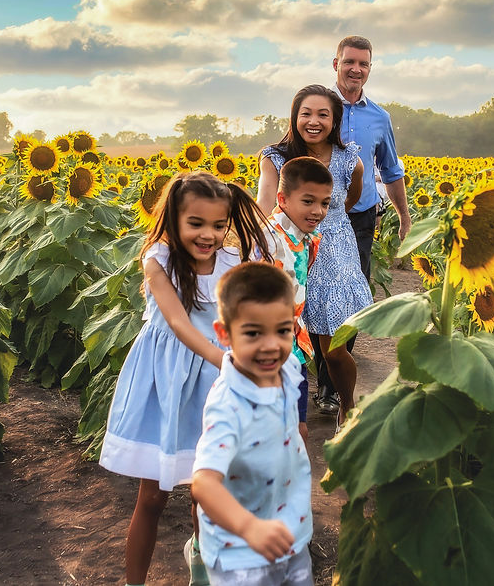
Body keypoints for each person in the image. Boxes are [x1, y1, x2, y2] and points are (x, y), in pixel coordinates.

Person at [98, 171, 273, 586]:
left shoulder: (235, 262)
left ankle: (202, 571)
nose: (208, 235)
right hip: (167, 383)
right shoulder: (158, 261)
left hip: (214, 389)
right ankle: (134, 582)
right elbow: (177, 322)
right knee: (153, 497)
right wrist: (224, 359)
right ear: (174, 219)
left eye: (218, 225)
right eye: (196, 223)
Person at [257, 84, 372, 430]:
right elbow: (265, 202)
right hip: (288, 249)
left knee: (333, 348)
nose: (314, 121)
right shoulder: (275, 157)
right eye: (306, 113)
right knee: (283, 337)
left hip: (335, 249)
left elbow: (345, 202)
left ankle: (347, 406)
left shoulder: (349, 159)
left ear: (335, 120)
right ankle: (286, 417)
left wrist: (324, 219)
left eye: (323, 114)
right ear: (295, 117)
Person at [309, 35, 414, 416]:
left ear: (370, 69)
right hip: (315, 215)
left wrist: (404, 215)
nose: (356, 69)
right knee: (316, 293)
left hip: (361, 217)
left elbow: (391, 170)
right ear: (334, 63)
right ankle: (322, 378)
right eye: (349, 61)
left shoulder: (379, 118)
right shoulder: (318, 109)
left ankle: (334, 387)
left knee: (349, 301)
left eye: (364, 64)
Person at [192, 262, 313, 586]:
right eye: (253, 333)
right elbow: (203, 483)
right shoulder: (228, 405)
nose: (271, 345)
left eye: (283, 330)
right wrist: (249, 528)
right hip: (240, 552)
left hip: (290, 535)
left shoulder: (286, 370)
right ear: (224, 333)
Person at [260, 156, 334, 444]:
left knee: (298, 430)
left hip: (295, 346)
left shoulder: (307, 238)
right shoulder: (267, 239)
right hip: (268, 352)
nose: (318, 211)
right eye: (308, 201)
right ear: (283, 199)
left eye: (325, 203)